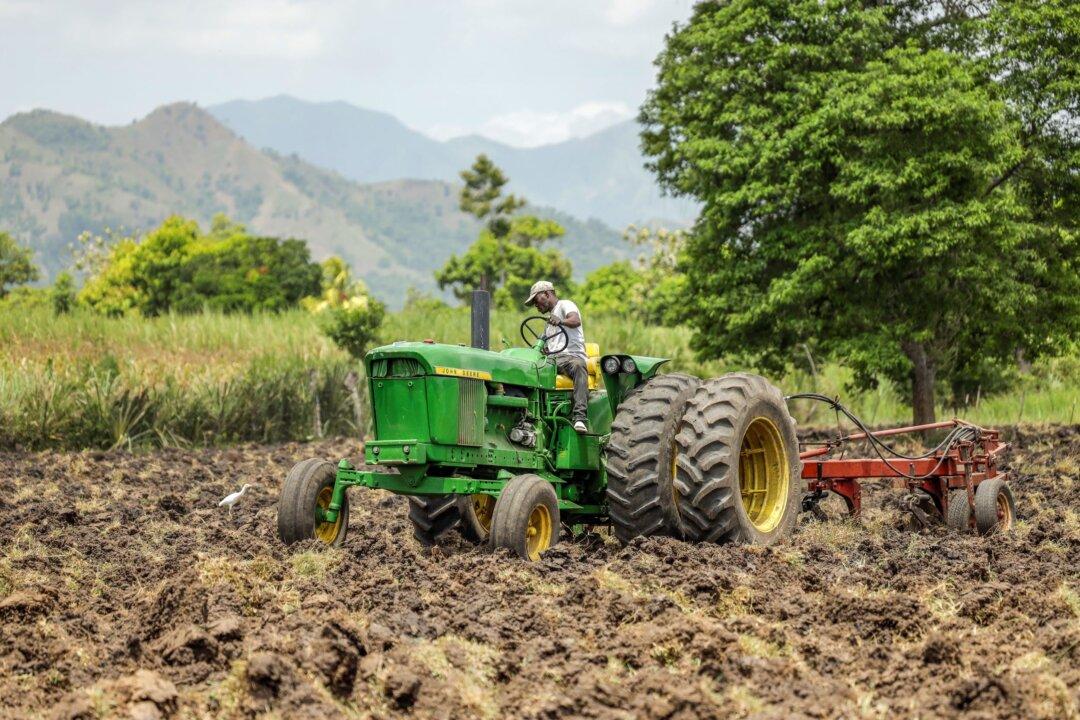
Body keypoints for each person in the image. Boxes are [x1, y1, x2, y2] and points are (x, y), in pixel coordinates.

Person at [525, 280, 589, 433]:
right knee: (528, 369)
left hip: (571, 357)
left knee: (579, 366)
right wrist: (545, 351)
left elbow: (575, 320)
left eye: (536, 300)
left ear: (547, 294)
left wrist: (562, 321)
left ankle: (580, 417)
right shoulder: (549, 324)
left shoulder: (565, 305)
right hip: (553, 360)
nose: (536, 305)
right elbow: (551, 346)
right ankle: (527, 414)